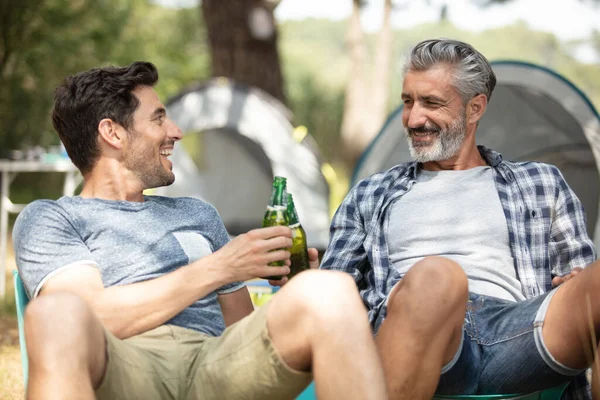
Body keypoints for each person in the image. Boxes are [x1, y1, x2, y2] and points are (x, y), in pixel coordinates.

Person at [12, 61, 387, 400]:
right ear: (113, 133)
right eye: (158, 119)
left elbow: (242, 330)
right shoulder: (52, 219)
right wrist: (221, 266)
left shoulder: (197, 213)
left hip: (218, 365)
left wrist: (294, 294)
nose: (175, 131)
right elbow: (93, 315)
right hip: (126, 369)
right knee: (56, 313)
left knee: (329, 288)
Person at [320, 38, 599, 400]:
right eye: (408, 102)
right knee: (439, 277)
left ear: (474, 108)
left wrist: (572, 279)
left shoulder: (541, 183)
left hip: (520, 331)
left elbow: (580, 273)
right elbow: (330, 297)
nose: (414, 118)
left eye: (432, 103)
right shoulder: (369, 194)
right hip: (425, 335)